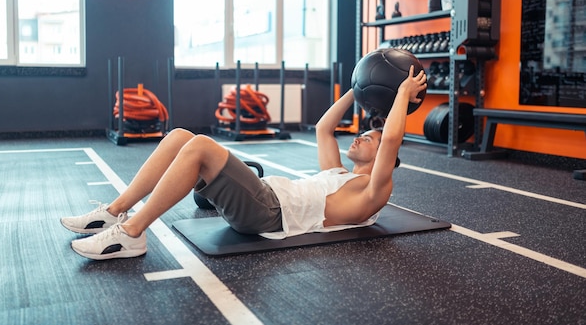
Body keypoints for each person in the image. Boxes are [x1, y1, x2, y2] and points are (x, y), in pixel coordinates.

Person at [61, 66, 427, 260]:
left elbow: (393, 137)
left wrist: (401, 95)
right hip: (264, 196)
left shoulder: (372, 192)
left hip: (268, 214)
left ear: (386, 158)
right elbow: (324, 129)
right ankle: (114, 211)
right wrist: (360, 84)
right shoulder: (337, 173)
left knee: (201, 146)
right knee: (179, 137)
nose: (361, 136)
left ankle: (131, 234)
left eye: (371, 139)